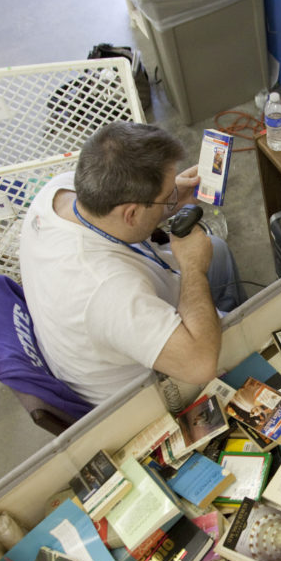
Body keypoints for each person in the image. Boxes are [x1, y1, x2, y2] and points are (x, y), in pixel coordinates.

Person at [19, 121, 245, 405]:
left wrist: (168, 200)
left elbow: (124, 217)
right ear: (131, 214)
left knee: (217, 250)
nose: (171, 198)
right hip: (153, 390)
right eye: (166, 197)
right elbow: (199, 366)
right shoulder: (105, 289)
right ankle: (241, 345)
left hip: (120, 330)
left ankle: (229, 317)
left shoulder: (58, 191)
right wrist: (192, 268)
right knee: (248, 323)